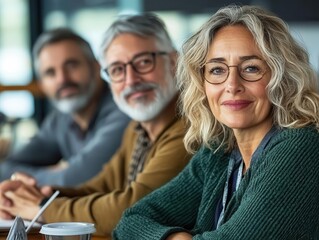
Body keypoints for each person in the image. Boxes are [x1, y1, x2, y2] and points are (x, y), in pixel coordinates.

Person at [113, 5, 319, 240]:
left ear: (282, 78)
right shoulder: (218, 152)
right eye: (217, 70)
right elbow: (130, 222)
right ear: (202, 82)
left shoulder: (302, 148)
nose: (232, 85)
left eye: (251, 68)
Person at [0, 13, 192, 238]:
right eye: (118, 69)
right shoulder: (138, 128)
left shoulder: (189, 128)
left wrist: (42, 206)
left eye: (143, 62)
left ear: (174, 61)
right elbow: (100, 186)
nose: (131, 80)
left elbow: (132, 207)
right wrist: (35, 195)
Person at [0, 28, 130, 186]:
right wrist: (57, 173)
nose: (62, 79)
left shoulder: (124, 108)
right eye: (50, 72)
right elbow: (5, 169)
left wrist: (61, 174)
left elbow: (76, 179)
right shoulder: (60, 118)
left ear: (96, 67)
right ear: (42, 84)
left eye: (71, 65)